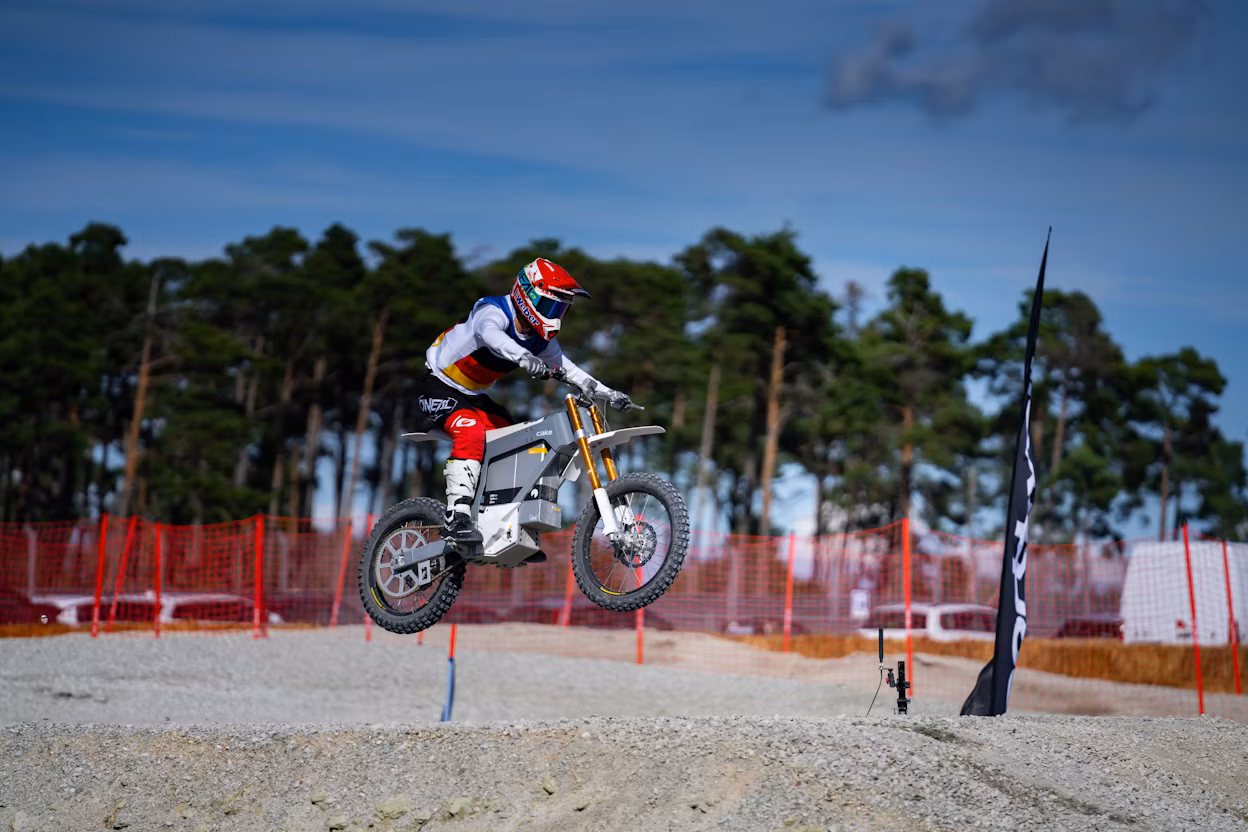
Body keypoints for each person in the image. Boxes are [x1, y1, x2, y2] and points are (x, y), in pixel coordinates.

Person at [416, 257, 631, 544]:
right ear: (525, 294)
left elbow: (570, 370)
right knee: (470, 429)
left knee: (517, 441)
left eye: (561, 309)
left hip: (474, 396)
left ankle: (496, 517)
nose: (555, 315)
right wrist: (524, 357)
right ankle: (458, 516)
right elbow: (490, 336)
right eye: (550, 306)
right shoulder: (492, 310)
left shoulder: (541, 340)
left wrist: (609, 393)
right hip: (437, 385)